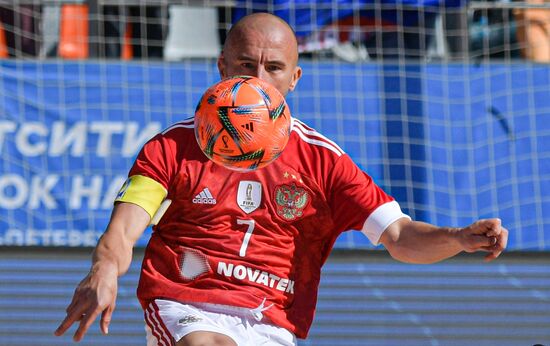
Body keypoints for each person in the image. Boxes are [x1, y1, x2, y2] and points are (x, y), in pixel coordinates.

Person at [54, 12, 508, 346]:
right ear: (221, 67)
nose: (256, 79)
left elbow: (401, 236)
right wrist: (104, 270)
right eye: (244, 64)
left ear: (294, 78)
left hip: (272, 324)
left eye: (272, 69)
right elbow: (121, 231)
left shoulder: (323, 161)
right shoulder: (171, 147)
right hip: (186, 306)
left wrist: (457, 237)